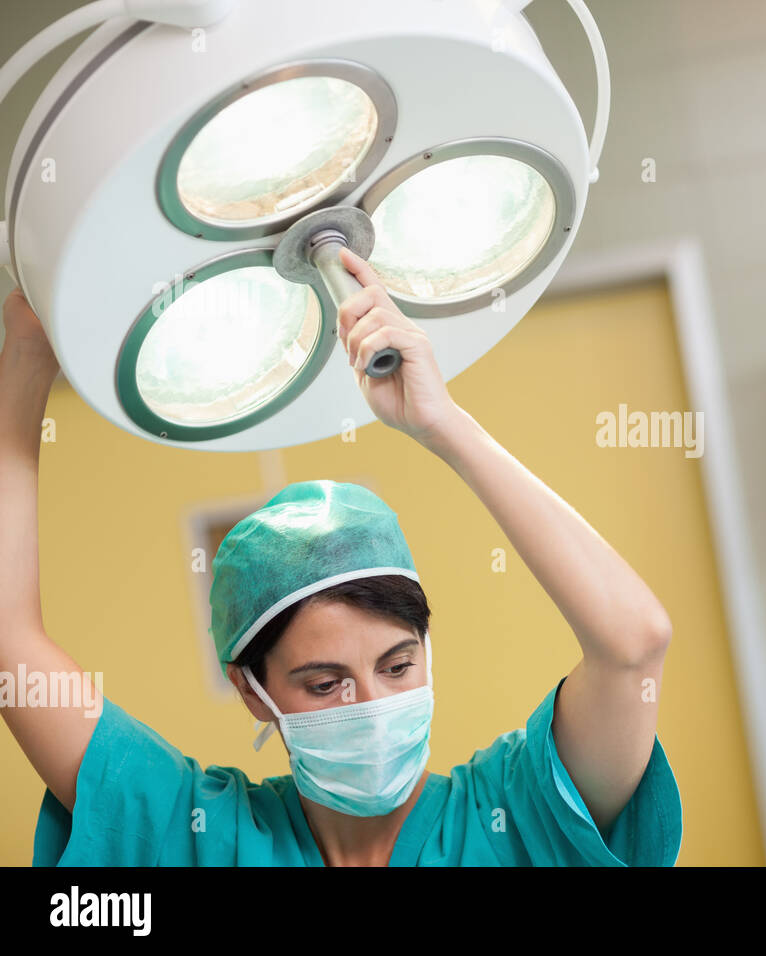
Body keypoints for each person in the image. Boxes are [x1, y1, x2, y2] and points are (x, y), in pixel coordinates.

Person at [0, 249, 682, 866]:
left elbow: (634, 643)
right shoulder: (201, 837)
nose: (373, 706)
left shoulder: (517, 820)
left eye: (397, 665)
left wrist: (442, 424)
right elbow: (9, 641)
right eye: (326, 685)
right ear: (252, 691)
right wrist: (26, 361)